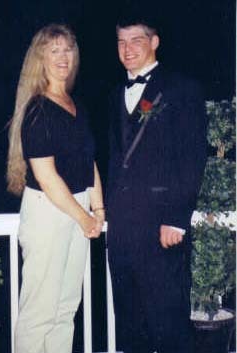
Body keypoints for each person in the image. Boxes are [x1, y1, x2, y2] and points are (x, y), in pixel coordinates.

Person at [106, 15, 207, 353]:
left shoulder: (181, 88)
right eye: (121, 41)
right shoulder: (114, 94)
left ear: (154, 42)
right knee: (131, 328)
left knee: (170, 328)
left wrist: (178, 218)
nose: (128, 48)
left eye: (136, 39)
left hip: (161, 229)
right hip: (121, 232)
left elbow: (192, 157)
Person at [7, 23, 105, 353]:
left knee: (65, 310)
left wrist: (98, 209)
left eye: (68, 49)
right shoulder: (38, 108)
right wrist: (84, 217)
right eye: (54, 50)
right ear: (41, 59)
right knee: (39, 313)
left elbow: (88, 162)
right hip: (50, 210)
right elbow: (47, 177)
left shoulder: (74, 104)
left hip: (77, 209)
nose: (64, 56)